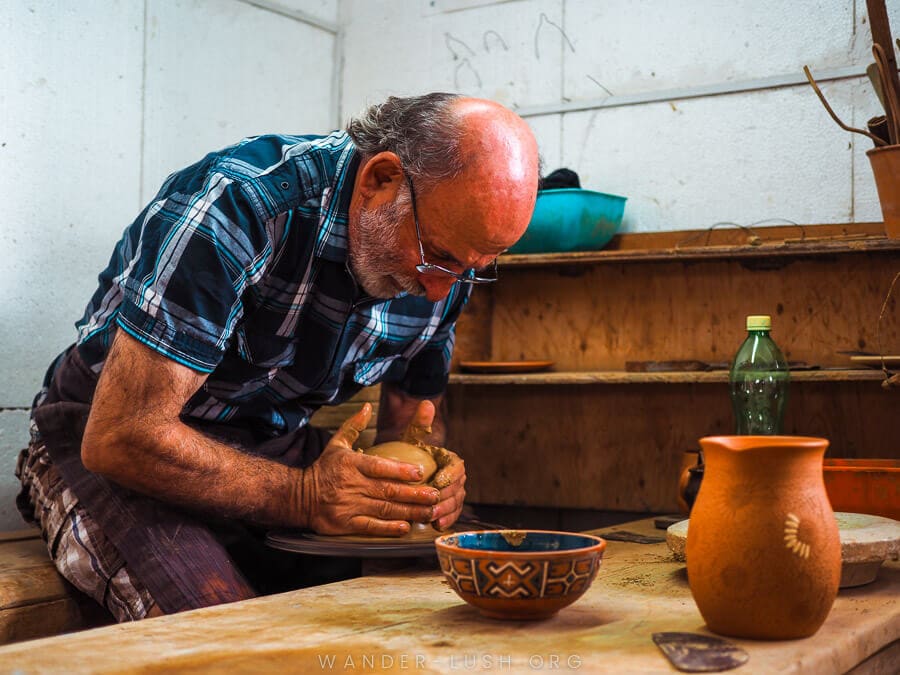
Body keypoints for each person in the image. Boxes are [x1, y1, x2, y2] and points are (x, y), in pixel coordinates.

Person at [15, 93, 539, 621]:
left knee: (477, 572)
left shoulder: (451, 266)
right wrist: (306, 498)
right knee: (225, 630)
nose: (438, 290)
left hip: (271, 445)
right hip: (109, 438)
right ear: (381, 179)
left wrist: (426, 489)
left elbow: (412, 431)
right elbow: (120, 437)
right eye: (439, 257)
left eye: (478, 266)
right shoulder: (241, 203)